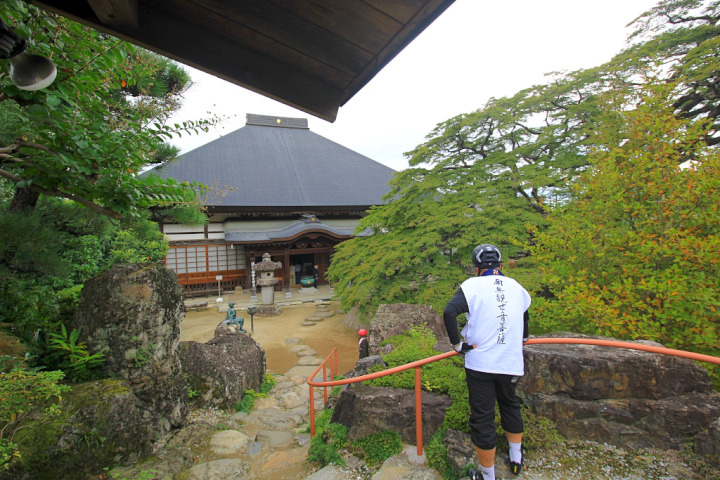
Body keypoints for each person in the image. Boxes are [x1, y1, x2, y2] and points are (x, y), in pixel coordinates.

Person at [443, 244, 531, 480]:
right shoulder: (516, 286)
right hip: (510, 362)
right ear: (500, 266)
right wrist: (520, 341)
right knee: (510, 404)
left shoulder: (471, 286)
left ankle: (487, 475)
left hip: (480, 363)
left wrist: (456, 344)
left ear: (477, 268)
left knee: (483, 417)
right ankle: (515, 458)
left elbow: (450, 312)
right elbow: (524, 318)